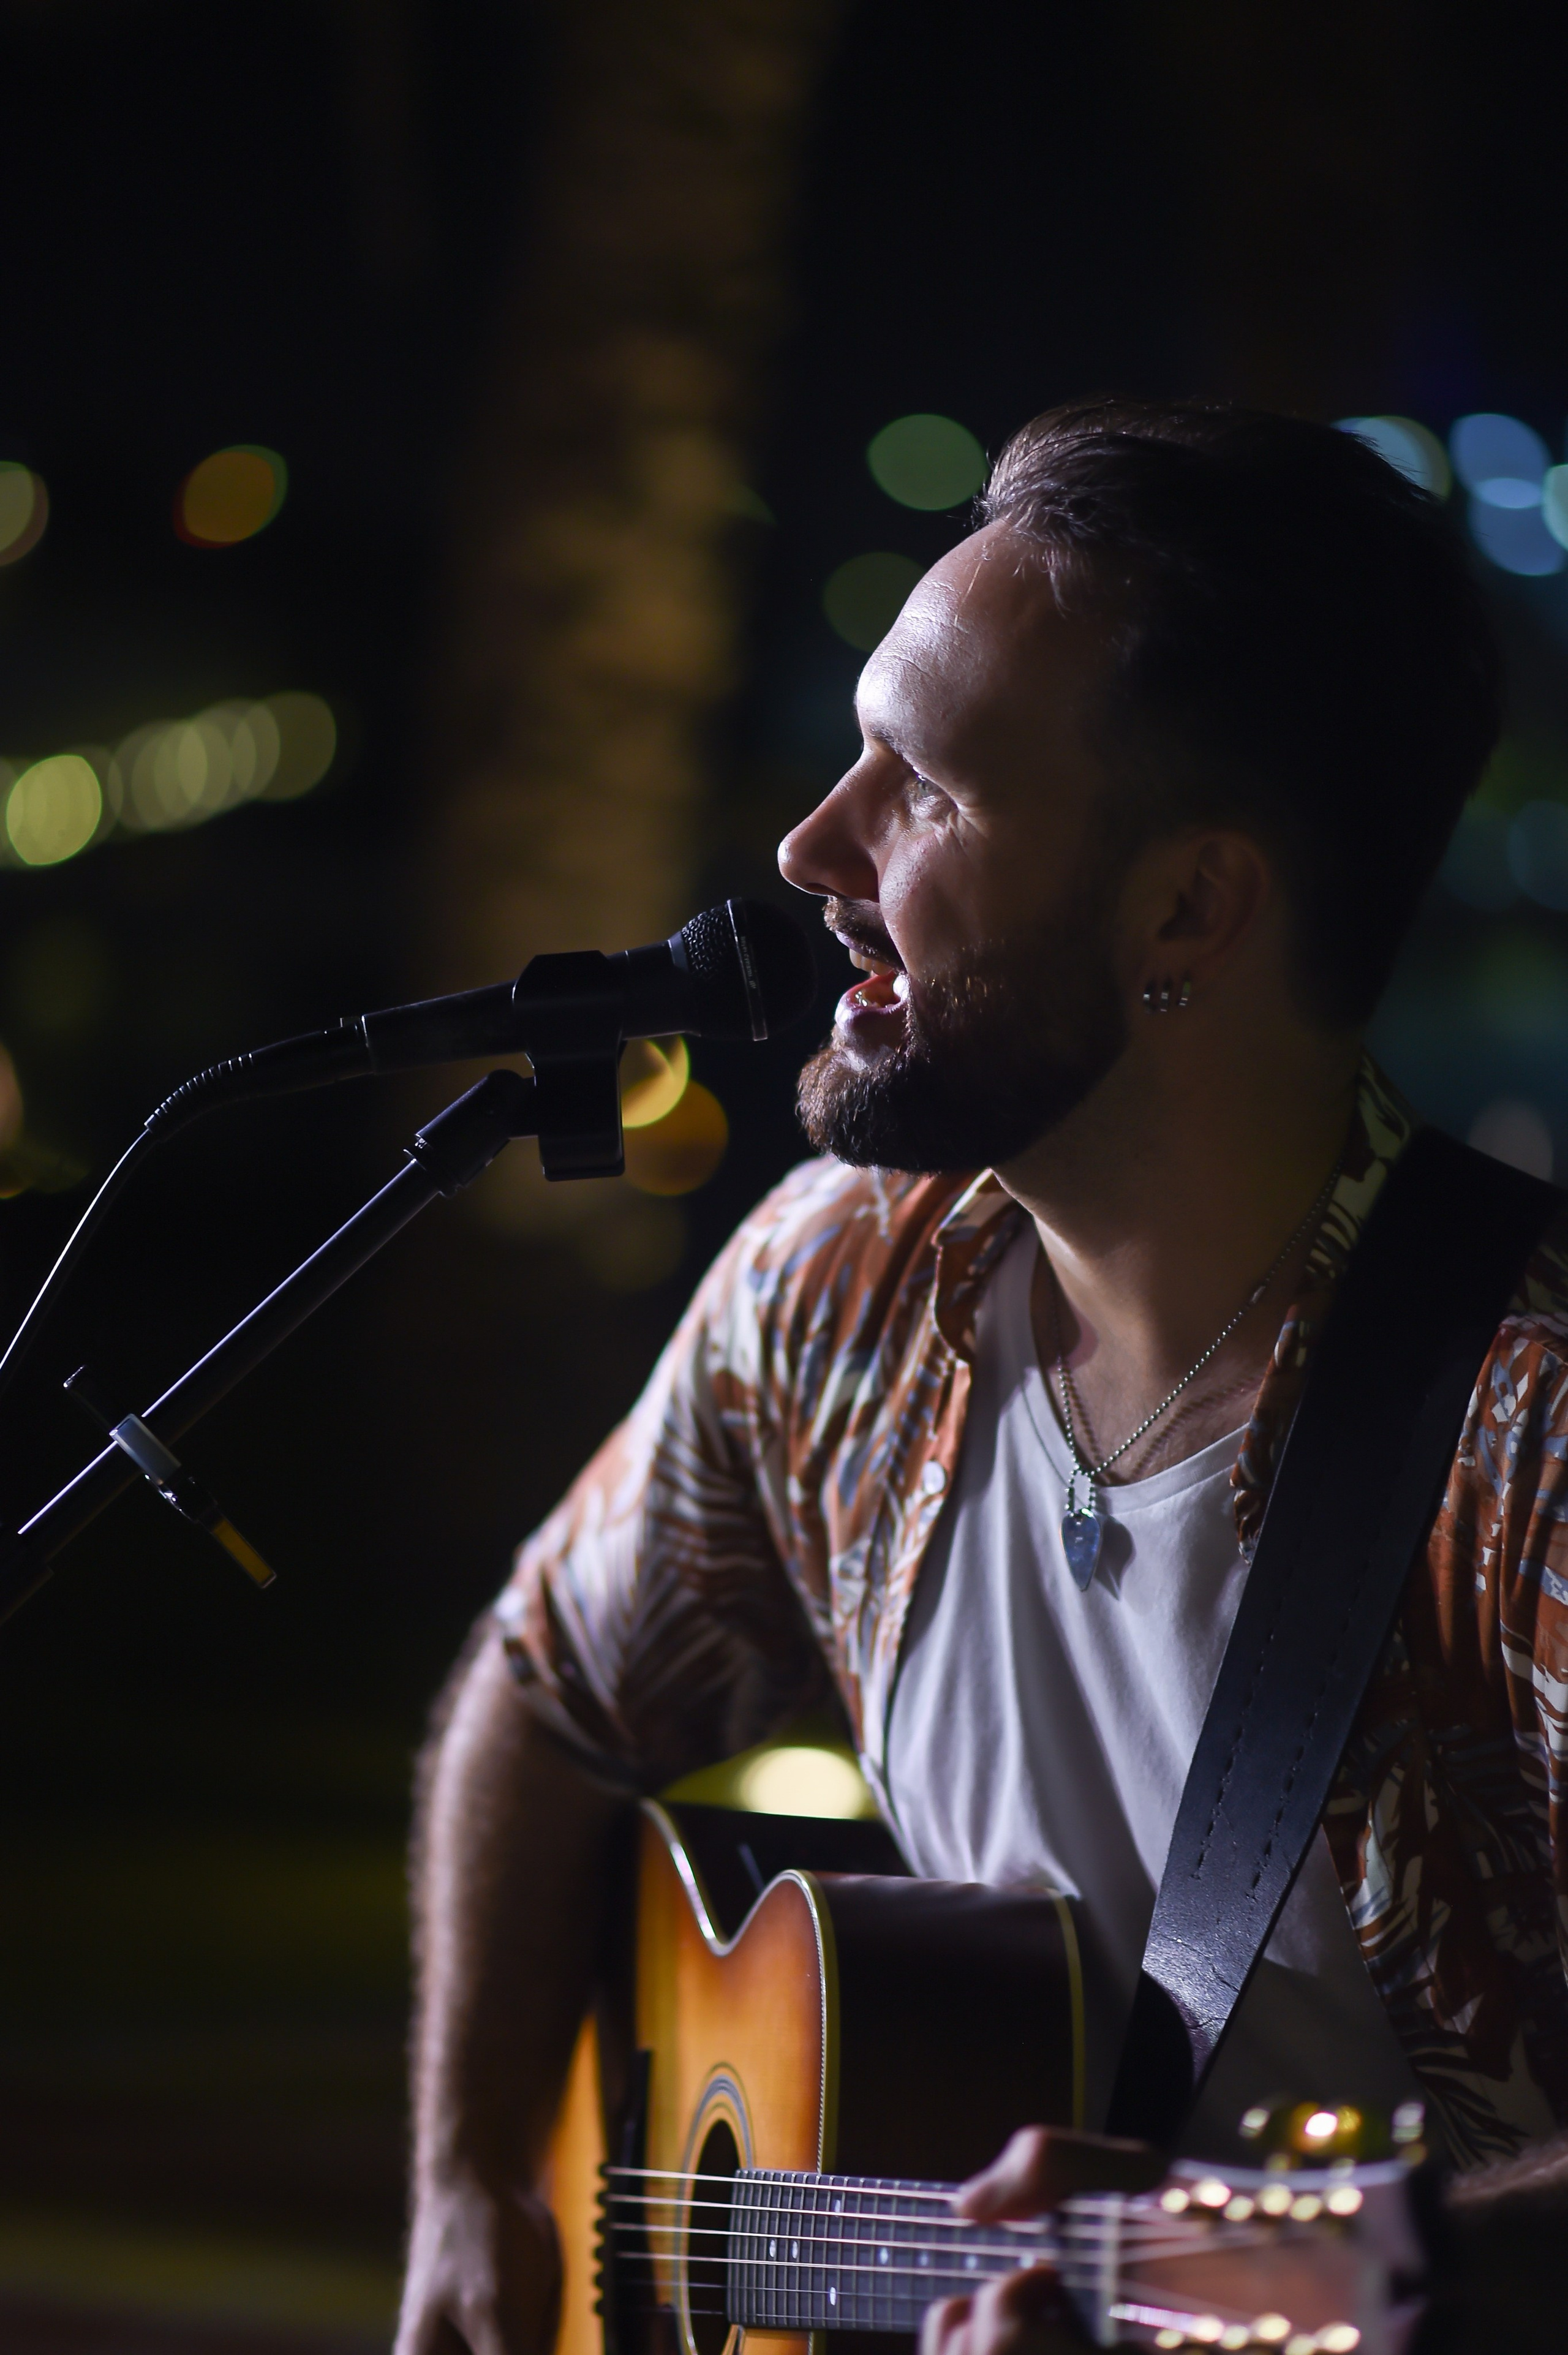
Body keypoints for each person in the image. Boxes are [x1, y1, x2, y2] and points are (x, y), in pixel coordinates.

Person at [395, 399, 1568, 2355]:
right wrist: (470, 2184)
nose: (811, 848)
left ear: (1187, 910)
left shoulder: (1524, 1438)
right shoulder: (838, 1291)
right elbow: (541, 1692)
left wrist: (1260, 2272)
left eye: (925, 792)